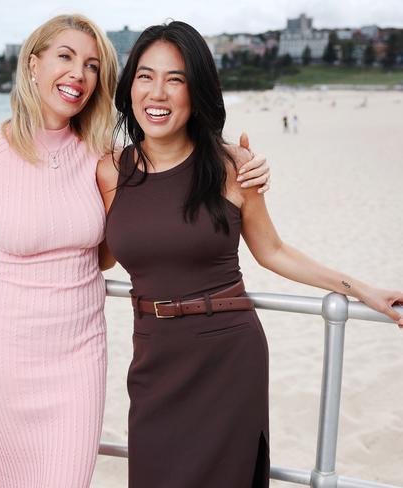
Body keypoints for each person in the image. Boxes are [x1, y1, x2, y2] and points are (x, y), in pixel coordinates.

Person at [0, 15, 270, 487]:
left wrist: (240, 160)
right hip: (9, 343)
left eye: (92, 66)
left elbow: (144, 211)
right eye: (65, 57)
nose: (78, 74)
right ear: (33, 65)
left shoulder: (103, 155)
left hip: (80, 347)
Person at [96, 21, 403, 488]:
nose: (157, 93)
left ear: (196, 90)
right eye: (145, 75)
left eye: (175, 79)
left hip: (227, 356)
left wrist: (362, 289)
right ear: (129, 85)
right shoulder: (109, 171)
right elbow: (101, 259)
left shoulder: (233, 168)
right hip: (153, 361)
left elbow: (273, 251)